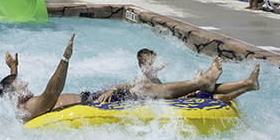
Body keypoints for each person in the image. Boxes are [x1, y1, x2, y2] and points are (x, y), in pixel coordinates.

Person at [0, 35, 222, 123]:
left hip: (91, 98)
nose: (25, 84)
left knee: (140, 86)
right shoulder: (29, 107)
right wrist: (65, 58)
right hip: (93, 104)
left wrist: (13, 69)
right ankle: (200, 84)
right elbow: (52, 92)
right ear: (15, 94)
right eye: (20, 84)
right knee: (141, 90)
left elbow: (11, 88)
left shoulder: (18, 101)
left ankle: (197, 88)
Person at [96, 48, 260, 104]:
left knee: (207, 91)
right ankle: (246, 86)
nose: (154, 67)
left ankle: (248, 83)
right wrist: (112, 90)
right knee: (216, 96)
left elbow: (158, 74)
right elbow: (125, 85)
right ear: (141, 66)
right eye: (150, 64)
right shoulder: (140, 80)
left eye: (154, 63)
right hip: (166, 101)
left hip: (172, 100)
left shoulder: (153, 75)